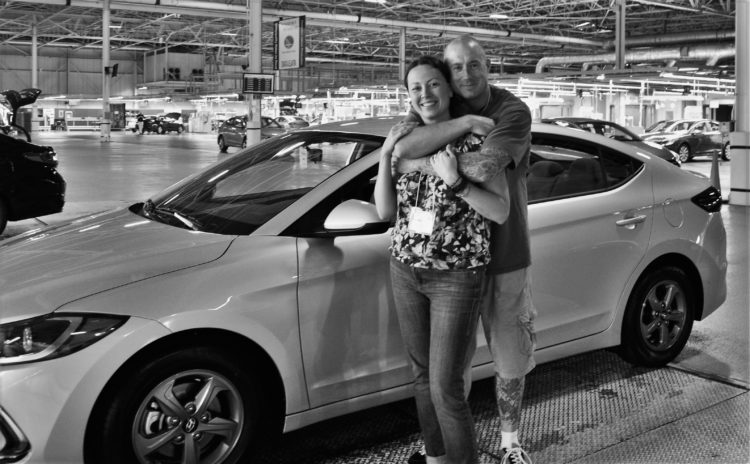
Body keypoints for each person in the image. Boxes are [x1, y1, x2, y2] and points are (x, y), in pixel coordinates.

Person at [393, 36, 536, 464]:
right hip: (444, 265)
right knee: (449, 371)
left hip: (504, 251)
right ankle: (446, 446)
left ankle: (510, 443)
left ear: (489, 66)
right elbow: (399, 150)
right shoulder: (443, 109)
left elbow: (484, 166)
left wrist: (427, 163)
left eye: (475, 64)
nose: (466, 74)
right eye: (457, 67)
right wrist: (463, 125)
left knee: (508, 352)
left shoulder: (512, 111)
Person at [374, 55, 510, 464]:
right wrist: (385, 157)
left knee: (445, 386)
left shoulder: (477, 143)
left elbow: (500, 210)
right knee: (421, 378)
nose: (424, 94)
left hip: (456, 275)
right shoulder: (405, 141)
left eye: (433, 84)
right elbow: (384, 212)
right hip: (405, 267)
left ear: (449, 88)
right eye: (415, 87)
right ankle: (436, 458)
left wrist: (455, 181)